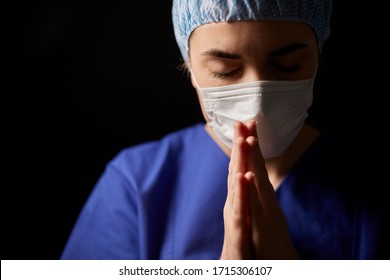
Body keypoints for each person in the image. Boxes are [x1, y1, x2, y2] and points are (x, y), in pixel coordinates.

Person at [60, 0, 385, 260]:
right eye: (225, 71)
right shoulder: (136, 185)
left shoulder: (369, 184)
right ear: (190, 69)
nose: (257, 98)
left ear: (317, 55)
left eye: (287, 66)